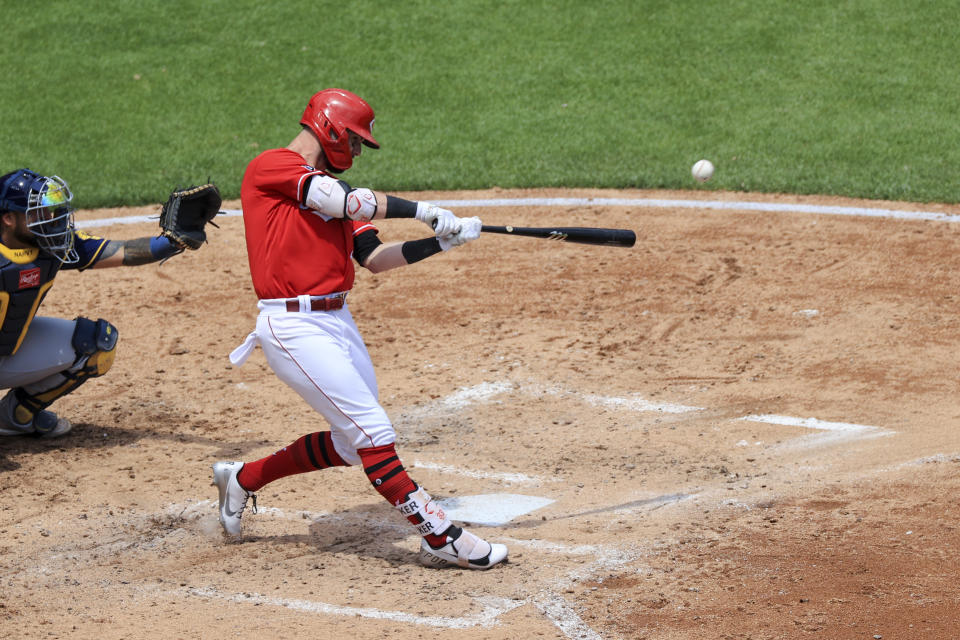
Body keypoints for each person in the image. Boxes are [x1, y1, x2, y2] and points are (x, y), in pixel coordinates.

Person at [213, 88, 508, 571]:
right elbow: (348, 203)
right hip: (292, 325)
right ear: (329, 127)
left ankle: (243, 479)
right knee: (373, 431)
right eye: (354, 141)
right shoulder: (274, 167)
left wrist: (441, 243)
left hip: (336, 322)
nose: (355, 152)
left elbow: (374, 259)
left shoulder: (333, 195)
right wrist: (422, 210)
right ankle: (439, 535)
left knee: (353, 444)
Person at [0, 168, 207, 438]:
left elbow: (121, 251)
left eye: (48, 211)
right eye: (37, 213)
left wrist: (171, 243)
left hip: (9, 350)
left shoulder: (53, 245)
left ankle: (14, 416)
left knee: (96, 346)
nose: (49, 220)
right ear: (8, 218)